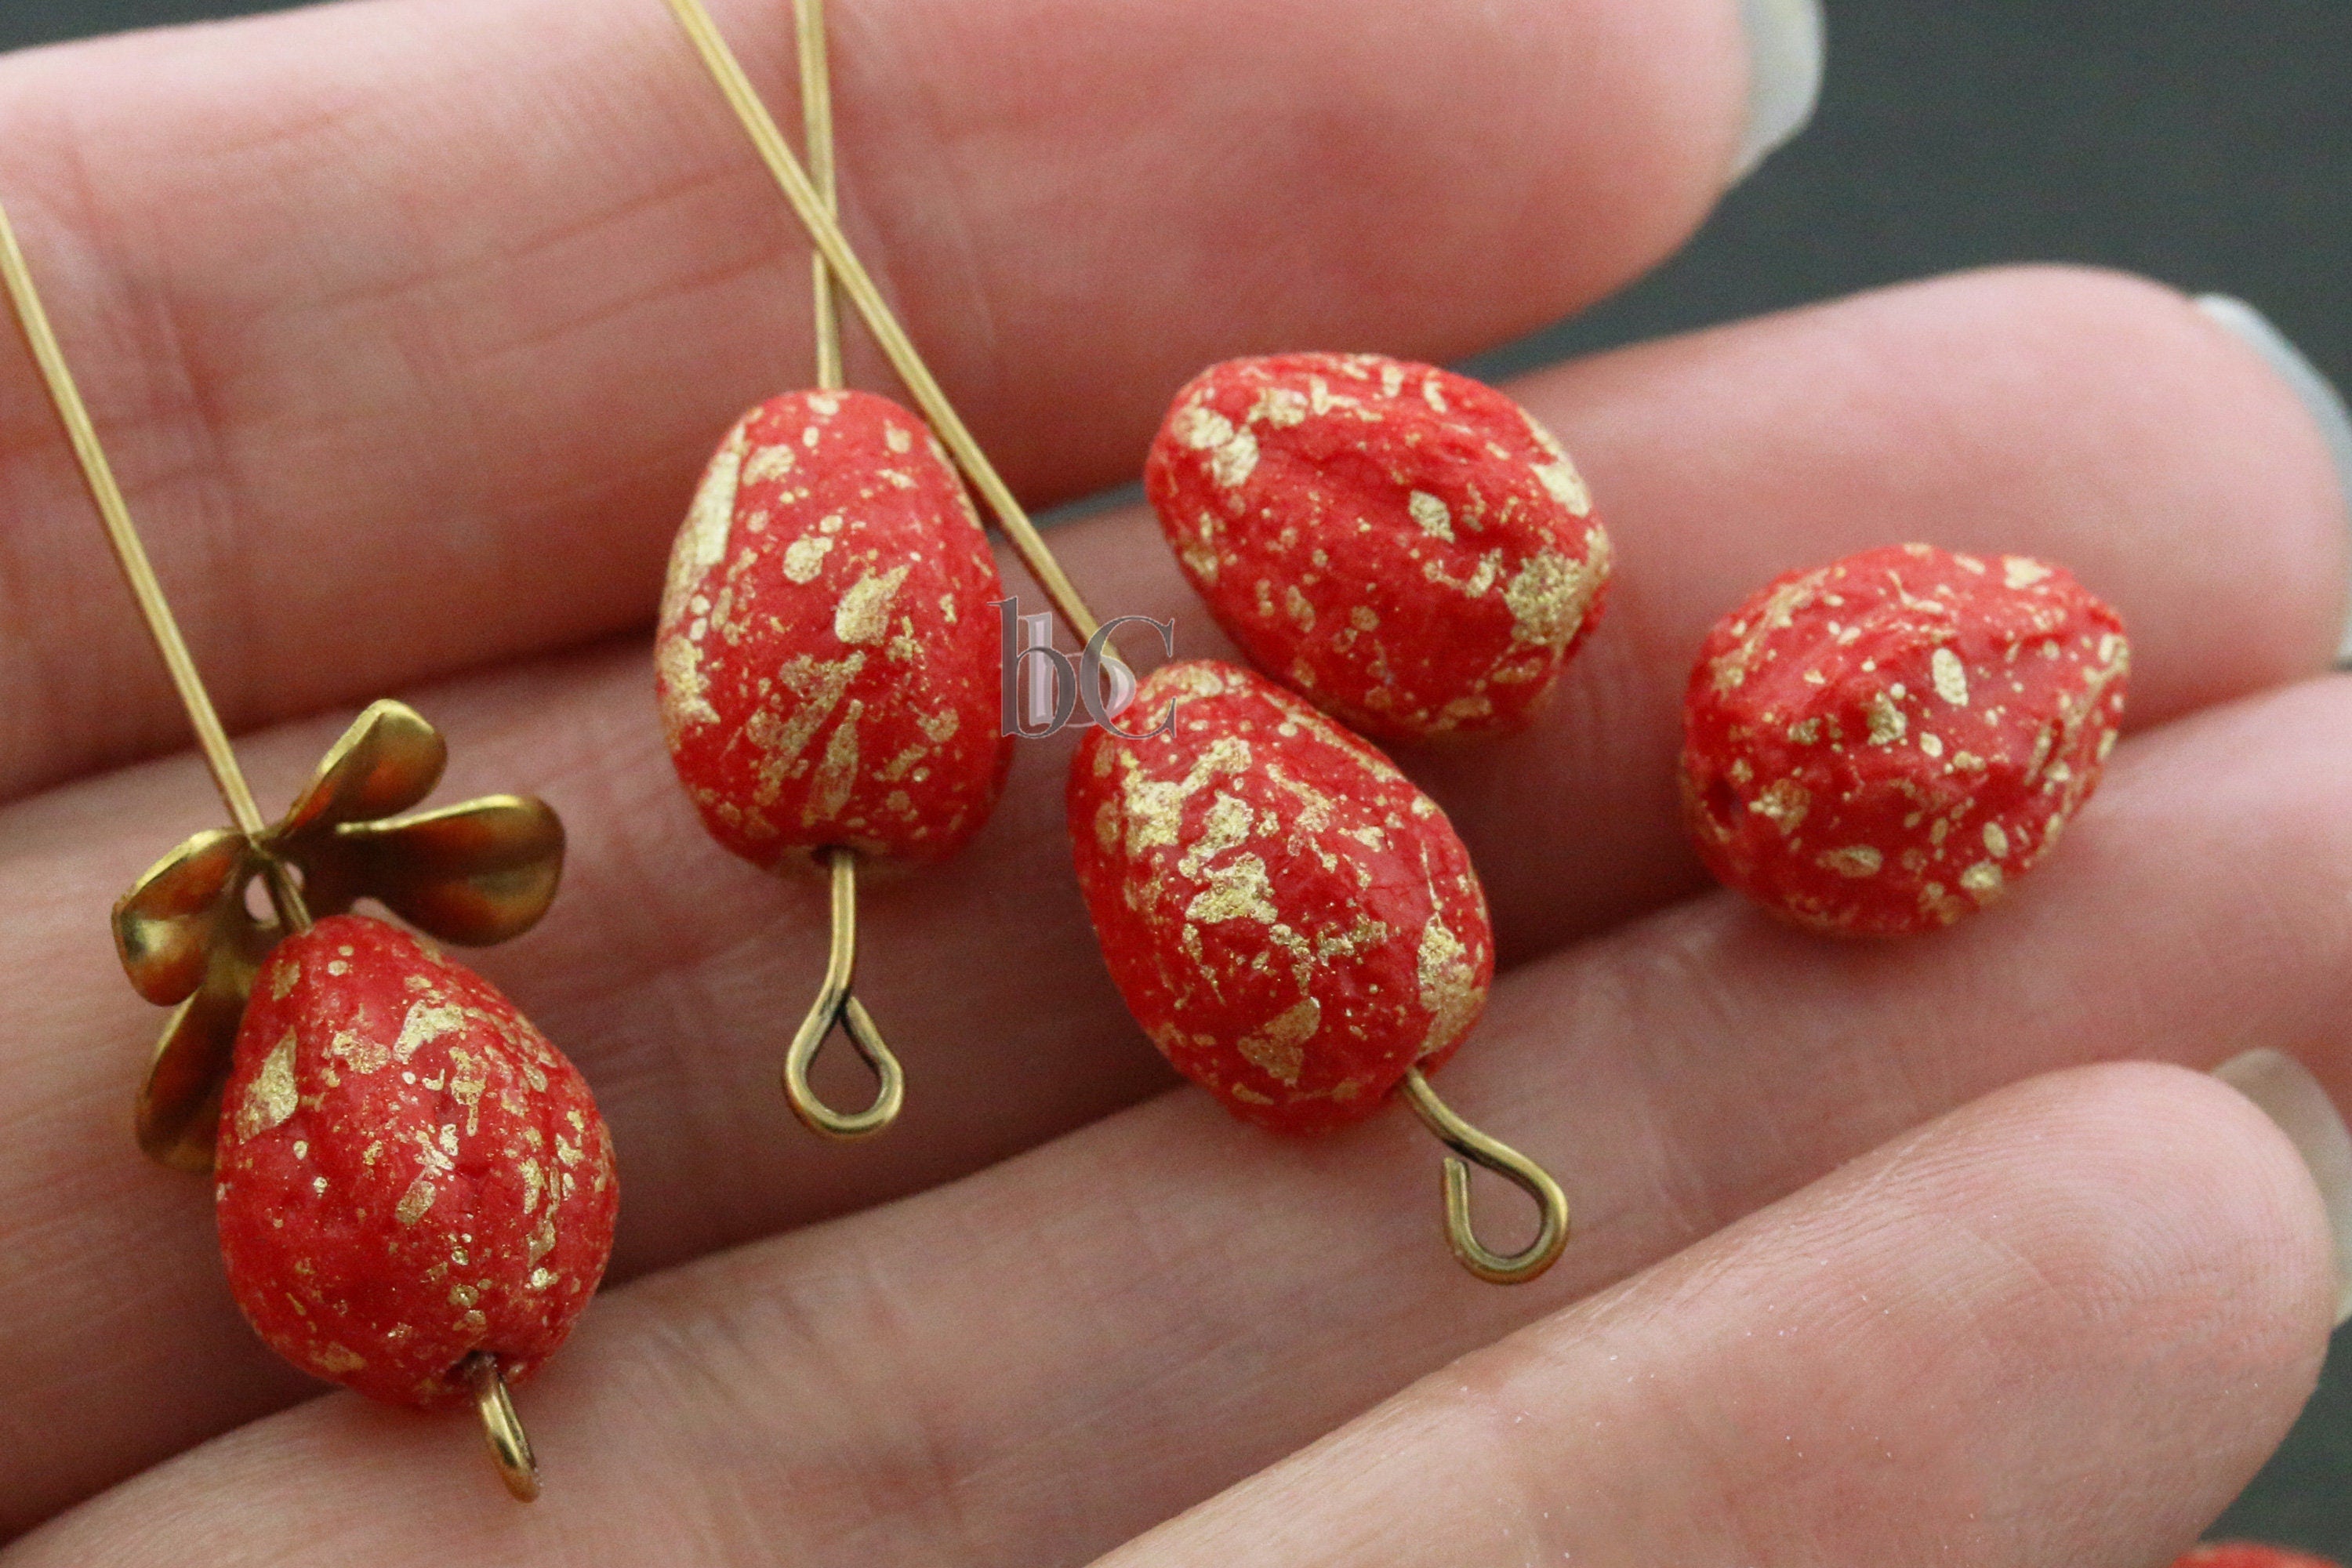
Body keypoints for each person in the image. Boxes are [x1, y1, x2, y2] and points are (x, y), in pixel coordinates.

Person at [1, 0, 2350, 1561]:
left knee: (1085, 676)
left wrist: (1131, 705)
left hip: (1122, 765)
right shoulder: (995, 706)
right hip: (1049, 769)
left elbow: (1102, 693)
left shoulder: (1114, 709)